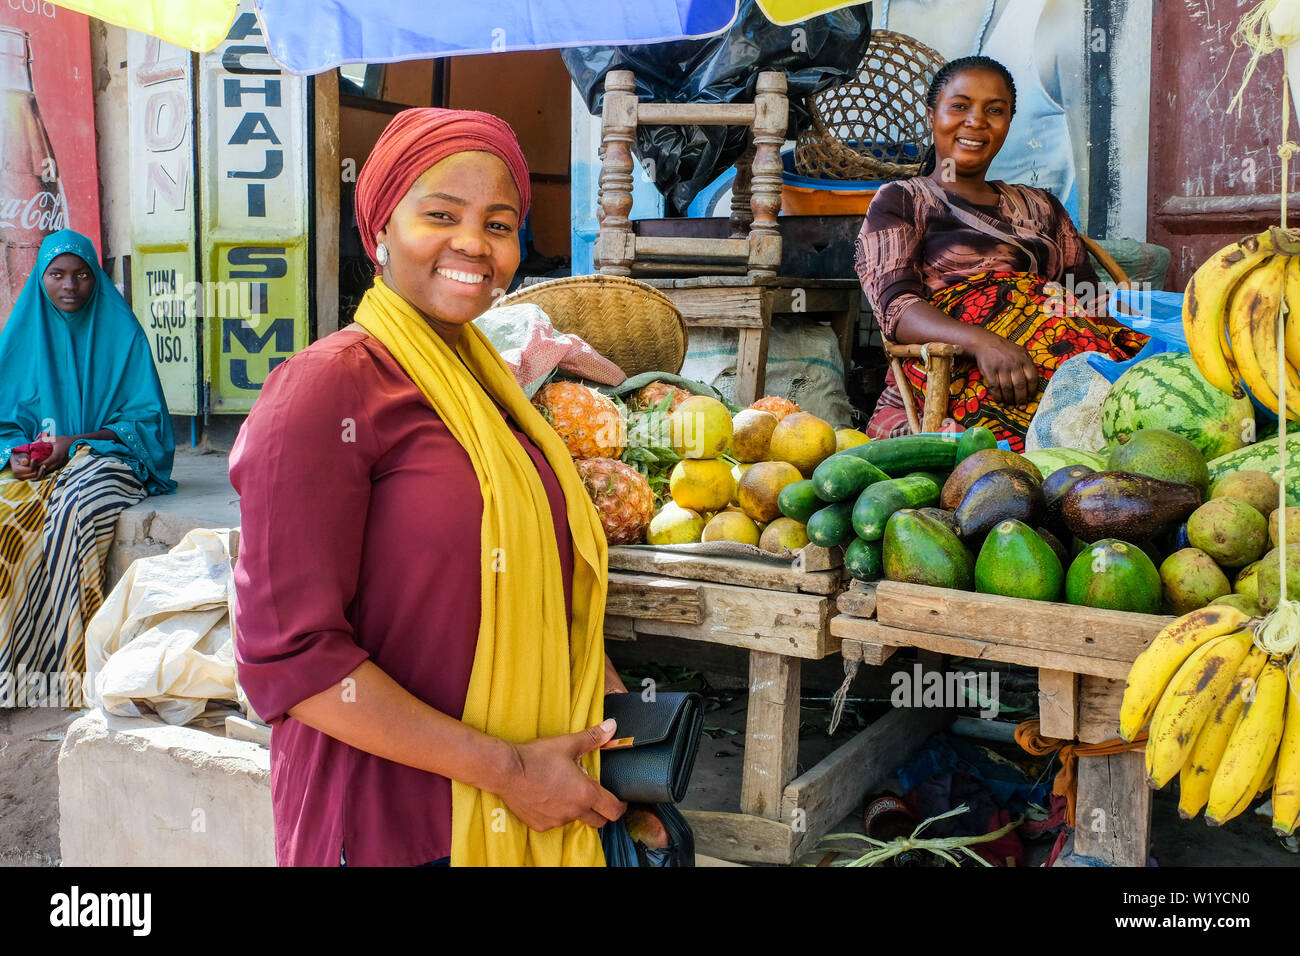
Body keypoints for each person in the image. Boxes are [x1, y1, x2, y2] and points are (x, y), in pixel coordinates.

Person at [231, 108, 629, 868]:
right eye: (440, 215)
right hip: (392, 827)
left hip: (529, 807)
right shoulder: (328, 388)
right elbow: (292, 659)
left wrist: (612, 729)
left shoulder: (493, 393)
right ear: (379, 228)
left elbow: (545, 582)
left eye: (500, 224)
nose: (474, 244)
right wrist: (511, 772)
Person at [855, 56, 1146, 451]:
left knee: (1150, 380)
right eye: (959, 106)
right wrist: (983, 342)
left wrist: (1137, 315)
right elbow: (897, 309)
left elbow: (1085, 297)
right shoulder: (904, 200)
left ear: (1009, 122)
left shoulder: (1041, 206)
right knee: (1072, 432)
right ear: (931, 115)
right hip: (963, 364)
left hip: (1063, 349)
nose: (976, 121)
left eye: (995, 110)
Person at [0, 229, 176, 707]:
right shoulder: (21, 336)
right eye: (56, 274)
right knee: (7, 518)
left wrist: (75, 443)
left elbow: (150, 426)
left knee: (75, 508)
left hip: (106, 458)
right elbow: (4, 424)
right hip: (37, 470)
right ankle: (10, 672)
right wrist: (16, 454)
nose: (70, 285)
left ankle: (73, 671)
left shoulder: (123, 334)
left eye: (81, 274)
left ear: (96, 277)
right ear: (40, 278)